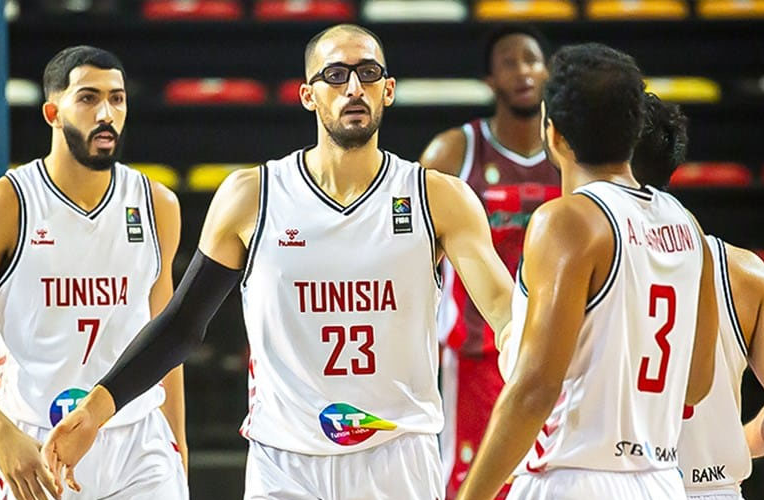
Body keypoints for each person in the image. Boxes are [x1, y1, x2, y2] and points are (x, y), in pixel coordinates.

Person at [43, 24, 515, 500]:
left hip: (398, 454)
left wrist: (537, 371)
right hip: (285, 464)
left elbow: (503, 311)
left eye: (368, 73)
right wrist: (95, 410)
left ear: (387, 90)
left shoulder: (437, 198)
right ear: (308, 95)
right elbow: (182, 324)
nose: (354, 87)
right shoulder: (252, 196)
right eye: (336, 75)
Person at [0, 46, 188, 500]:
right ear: (52, 113)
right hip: (33, 441)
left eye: (117, 99)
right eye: (88, 98)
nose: (106, 114)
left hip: (138, 442)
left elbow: (165, 338)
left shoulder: (156, 204)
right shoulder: (5, 205)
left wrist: (178, 442)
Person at [457, 43, 719, 500]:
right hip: (660, 479)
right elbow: (695, 385)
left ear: (553, 132)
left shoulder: (567, 222)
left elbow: (535, 391)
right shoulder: (688, 226)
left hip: (573, 478)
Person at [631, 94, 764, 500]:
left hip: (617, 483)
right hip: (712, 487)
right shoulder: (745, 271)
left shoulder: (584, 260)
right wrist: (732, 446)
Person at [419, 26, 560, 499]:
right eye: (509, 62)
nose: (523, 71)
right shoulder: (454, 150)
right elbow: (411, 247)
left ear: (548, 71)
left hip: (557, 352)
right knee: (471, 484)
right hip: (477, 351)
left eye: (531, 60)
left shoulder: (569, 150)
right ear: (490, 79)